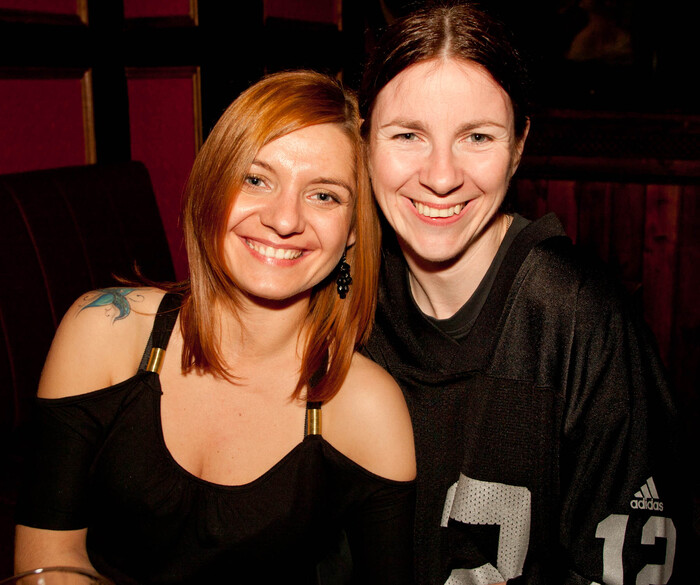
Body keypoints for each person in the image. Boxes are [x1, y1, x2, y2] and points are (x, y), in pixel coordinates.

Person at [14, 70, 416, 585]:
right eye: (255, 179)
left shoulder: (367, 408)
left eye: (324, 196)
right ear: (212, 186)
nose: (284, 220)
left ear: (355, 229)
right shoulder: (106, 330)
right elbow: (48, 563)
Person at [359, 3, 687, 584]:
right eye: (408, 135)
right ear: (364, 141)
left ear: (518, 145)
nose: (441, 176)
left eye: (477, 137)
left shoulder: (579, 318)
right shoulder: (344, 300)